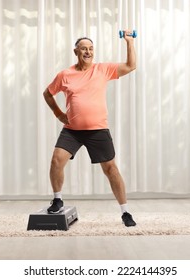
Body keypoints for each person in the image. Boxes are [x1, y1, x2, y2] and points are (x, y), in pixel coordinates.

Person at [43, 30, 137, 227]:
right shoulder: (65, 74)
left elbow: (131, 66)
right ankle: (58, 200)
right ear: (76, 51)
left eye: (91, 49)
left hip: (98, 130)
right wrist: (59, 114)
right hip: (72, 131)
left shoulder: (102, 70)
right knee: (56, 161)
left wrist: (129, 42)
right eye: (84, 48)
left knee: (111, 170)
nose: (88, 52)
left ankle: (125, 211)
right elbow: (48, 93)